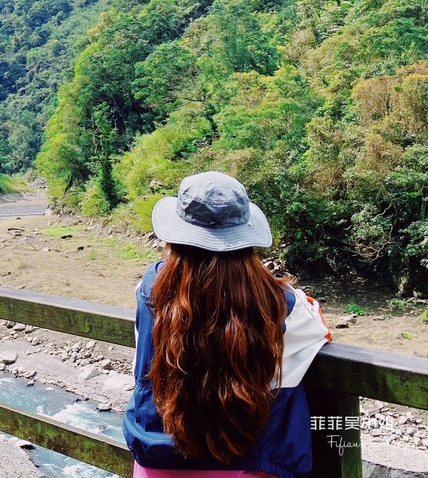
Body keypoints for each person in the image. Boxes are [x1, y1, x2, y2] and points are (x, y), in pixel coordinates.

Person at [124, 171, 331, 478]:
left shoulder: (151, 288)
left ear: (176, 237)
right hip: (247, 464)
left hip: (159, 461)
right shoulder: (280, 305)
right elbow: (318, 327)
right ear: (246, 240)